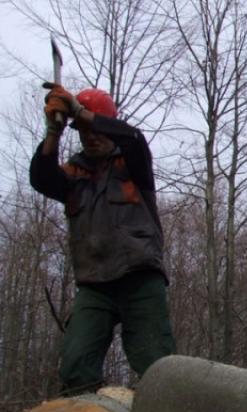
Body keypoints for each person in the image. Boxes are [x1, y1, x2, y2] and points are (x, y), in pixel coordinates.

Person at [30, 82, 175, 395]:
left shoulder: (132, 161)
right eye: (83, 132)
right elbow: (41, 178)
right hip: (94, 285)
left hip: (139, 279)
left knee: (157, 364)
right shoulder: (74, 174)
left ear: (108, 126)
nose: (91, 137)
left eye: (95, 128)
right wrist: (54, 129)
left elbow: (133, 136)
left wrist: (81, 114)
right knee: (75, 366)